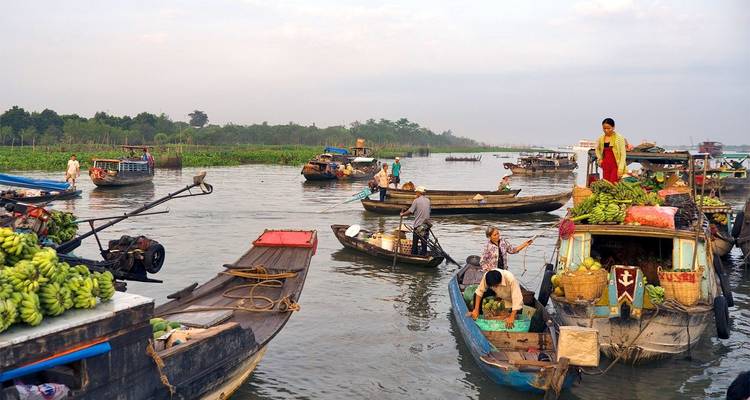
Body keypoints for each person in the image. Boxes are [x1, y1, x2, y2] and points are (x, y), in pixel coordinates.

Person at [400, 186, 431, 255]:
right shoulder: (428, 200)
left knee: (415, 242)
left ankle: (414, 255)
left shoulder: (416, 201)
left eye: (416, 192)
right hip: (426, 225)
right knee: (424, 242)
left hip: (419, 225)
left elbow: (410, 211)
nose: (416, 193)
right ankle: (424, 254)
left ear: (418, 193)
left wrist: (402, 214)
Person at [595, 118, 627, 183]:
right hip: (605, 165)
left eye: (609, 128)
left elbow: (623, 154)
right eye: (604, 128)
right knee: (606, 183)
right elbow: (597, 149)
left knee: (613, 183)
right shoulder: (601, 138)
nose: (606, 130)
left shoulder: (619, 138)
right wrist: (600, 160)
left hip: (615, 166)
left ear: (613, 127)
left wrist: (620, 169)